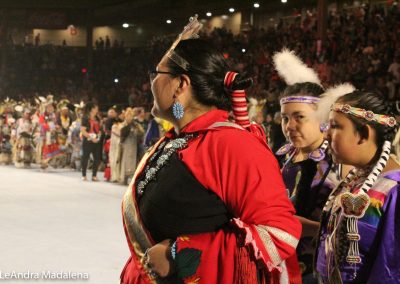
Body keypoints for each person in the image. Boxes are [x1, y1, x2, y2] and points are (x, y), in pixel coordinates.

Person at [120, 16, 301, 284]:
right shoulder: (180, 138)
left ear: (181, 84)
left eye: (156, 74)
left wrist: (177, 254)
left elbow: (279, 234)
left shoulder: (231, 144)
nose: (151, 83)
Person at [272, 49, 350, 283]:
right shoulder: (284, 157)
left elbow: (348, 226)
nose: (290, 126)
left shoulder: (339, 162)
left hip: (317, 268)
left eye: (299, 117)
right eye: (285, 118)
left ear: (321, 118)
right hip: (280, 261)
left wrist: (309, 228)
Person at [315, 90, 400, 283]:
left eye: (335, 126)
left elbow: (391, 271)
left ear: (363, 134)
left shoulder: (393, 190)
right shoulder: (357, 180)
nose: (326, 134)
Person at [119, 108, 144, 184]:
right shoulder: (123, 124)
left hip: (133, 144)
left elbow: (141, 132)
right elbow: (122, 134)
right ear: (125, 116)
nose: (129, 117)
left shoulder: (136, 125)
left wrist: (138, 132)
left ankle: (131, 178)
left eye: (131, 116)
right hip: (125, 145)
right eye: (128, 115)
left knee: (133, 160)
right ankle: (124, 178)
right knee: (125, 160)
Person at [80, 102, 101, 181]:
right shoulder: (85, 118)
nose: (97, 109)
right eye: (96, 108)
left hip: (96, 140)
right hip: (88, 141)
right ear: (92, 109)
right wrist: (91, 138)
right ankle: (84, 175)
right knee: (85, 157)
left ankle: (94, 175)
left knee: (97, 158)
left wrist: (98, 136)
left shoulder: (97, 118)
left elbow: (99, 129)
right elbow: (83, 130)